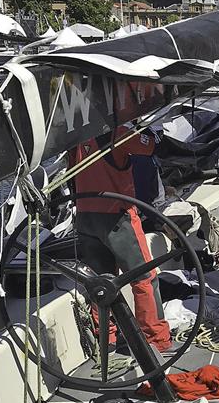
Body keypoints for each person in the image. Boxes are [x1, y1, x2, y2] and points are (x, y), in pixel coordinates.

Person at [72, 125, 172, 353]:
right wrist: (151, 130)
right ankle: (156, 339)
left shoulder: (74, 135)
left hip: (85, 215)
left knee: (100, 282)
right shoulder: (117, 131)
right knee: (144, 277)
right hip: (118, 217)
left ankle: (106, 339)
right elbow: (151, 146)